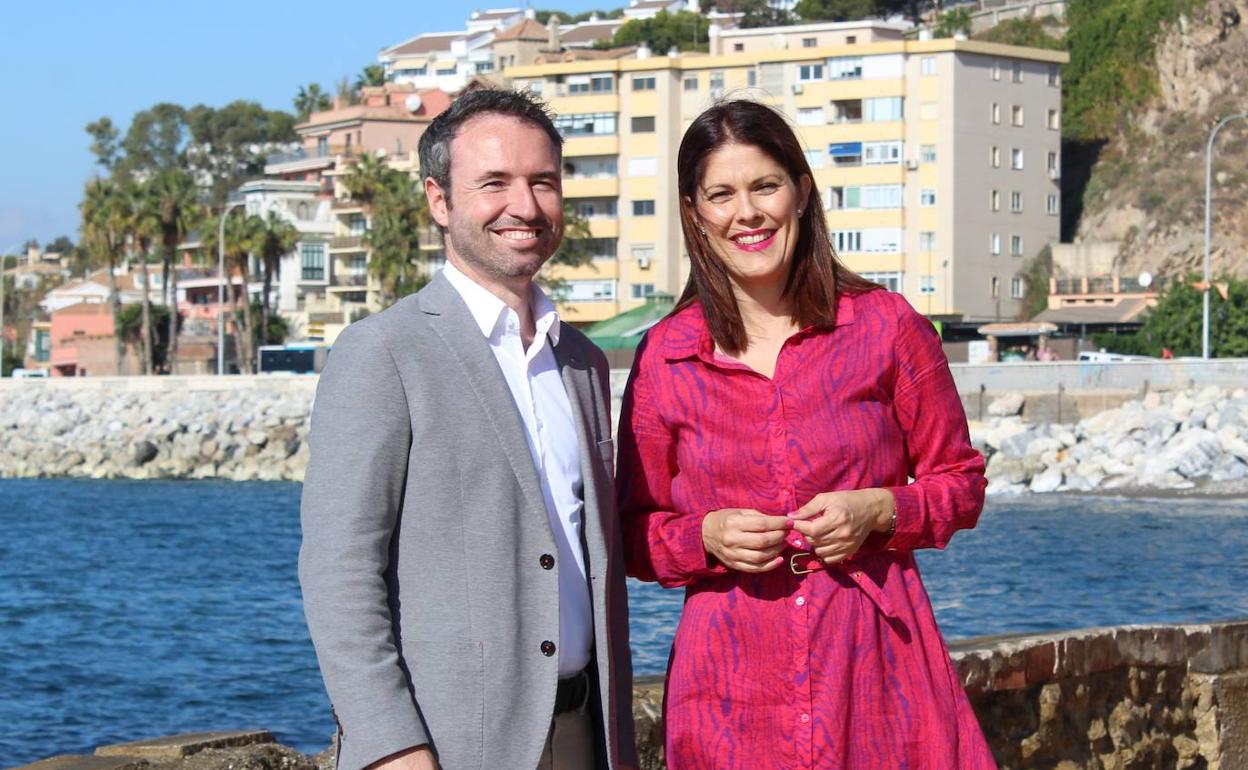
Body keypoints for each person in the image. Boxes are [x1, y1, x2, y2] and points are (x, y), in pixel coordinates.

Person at [616, 100, 994, 769]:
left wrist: (882, 509)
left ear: (802, 190)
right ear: (695, 214)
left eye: (765, 185)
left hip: (876, 674)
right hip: (728, 688)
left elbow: (960, 486)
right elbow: (631, 535)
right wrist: (703, 536)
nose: (747, 213)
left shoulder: (886, 325)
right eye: (721, 194)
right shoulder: (663, 357)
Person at [299, 88, 636, 770]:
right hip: (448, 746)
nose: (525, 205)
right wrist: (391, 746)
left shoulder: (583, 363)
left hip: (585, 734)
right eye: (494, 183)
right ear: (439, 201)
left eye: (543, 181)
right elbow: (338, 570)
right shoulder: (383, 352)